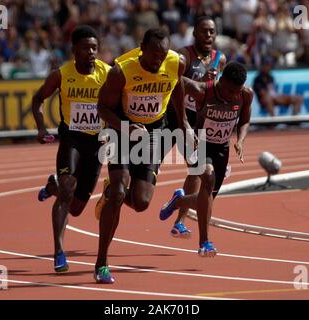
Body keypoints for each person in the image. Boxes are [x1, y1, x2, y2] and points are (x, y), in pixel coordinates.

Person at [94, 28, 195, 284]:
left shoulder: (176, 63)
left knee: (141, 203)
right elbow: (102, 107)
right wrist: (125, 127)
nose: (156, 61)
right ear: (141, 49)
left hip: (153, 132)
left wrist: (184, 124)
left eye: (161, 56)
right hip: (122, 129)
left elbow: (178, 88)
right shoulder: (121, 71)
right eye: (152, 55)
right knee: (119, 192)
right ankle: (102, 263)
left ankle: (108, 192)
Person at [32, 26, 111, 273]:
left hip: (97, 144)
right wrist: (41, 128)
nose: (91, 53)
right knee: (68, 190)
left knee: (76, 208)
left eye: (94, 48)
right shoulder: (62, 75)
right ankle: (59, 251)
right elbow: (37, 99)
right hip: (72, 140)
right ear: (74, 50)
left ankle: (51, 186)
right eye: (86, 48)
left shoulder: (107, 74)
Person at [160, 61, 253, 257]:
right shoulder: (203, 90)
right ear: (221, 81)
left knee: (206, 198)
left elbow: (244, 120)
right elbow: (177, 81)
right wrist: (184, 121)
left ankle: (179, 201)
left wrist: (241, 140)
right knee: (208, 178)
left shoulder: (245, 95)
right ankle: (205, 243)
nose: (231, 96)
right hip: (200, 144)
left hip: (222, 148)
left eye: (235, 92)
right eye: (228, 91)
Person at [166, 15, 227, 238]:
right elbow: (176, 84)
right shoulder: (184, 55)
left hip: (197, 119)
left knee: (197, 169)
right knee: (144, 164)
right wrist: (200, 87)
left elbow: (219, 90)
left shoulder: (220, 59)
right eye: (204, 31)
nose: (208, 35)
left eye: (212, 31)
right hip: (173, 116)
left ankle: (179, 221)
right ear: (195, 33)